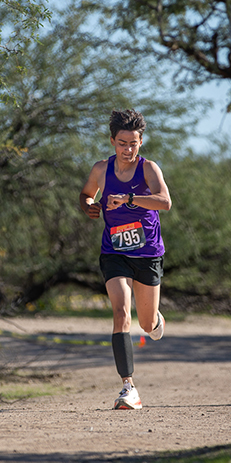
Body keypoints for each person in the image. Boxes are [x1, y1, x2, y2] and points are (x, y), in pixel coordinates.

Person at [79, 109, 171, 410]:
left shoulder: (148, 169)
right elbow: (86, 194)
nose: (127, 150)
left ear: (140, 142)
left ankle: (156, 320)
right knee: (121, 313)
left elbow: (164, 202)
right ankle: (128, 387)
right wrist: (90, 206)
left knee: (145, 323)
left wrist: (130, 199)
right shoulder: (100, 169)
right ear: (112, 141)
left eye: (133, 143)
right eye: (122, 143)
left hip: (147, 253)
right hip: (114, 251)